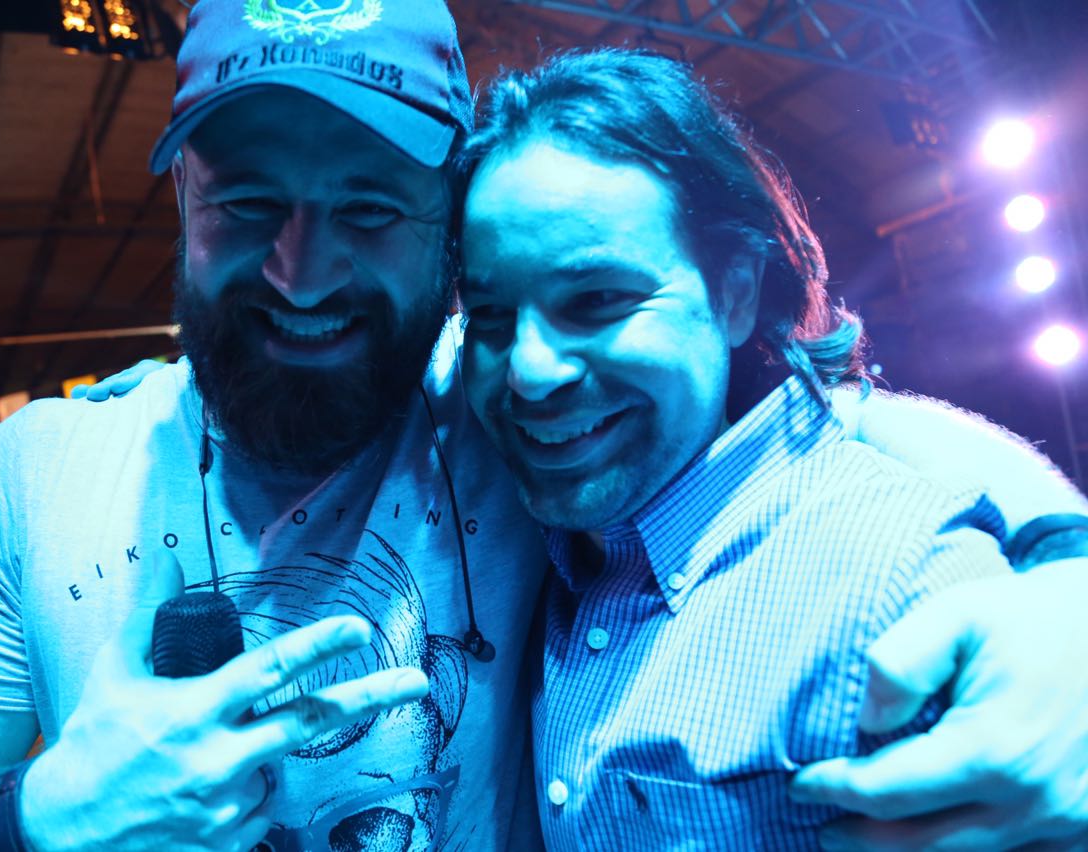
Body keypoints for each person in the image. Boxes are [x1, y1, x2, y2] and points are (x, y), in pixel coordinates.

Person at [0, 2, 1088, 851]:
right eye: (248, 204)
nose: (302, 273)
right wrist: (32, 818)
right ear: (183, 201)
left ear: (445, 226)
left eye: (369, 210)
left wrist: (1063, 586)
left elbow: (832, 422)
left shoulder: (504, 405)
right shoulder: (39, 468)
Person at [453, 47, 1068, 849]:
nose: (530, 371)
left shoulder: (905, 593)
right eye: (491, 316)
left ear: (736, 294)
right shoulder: (534, 528)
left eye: (597, 300)